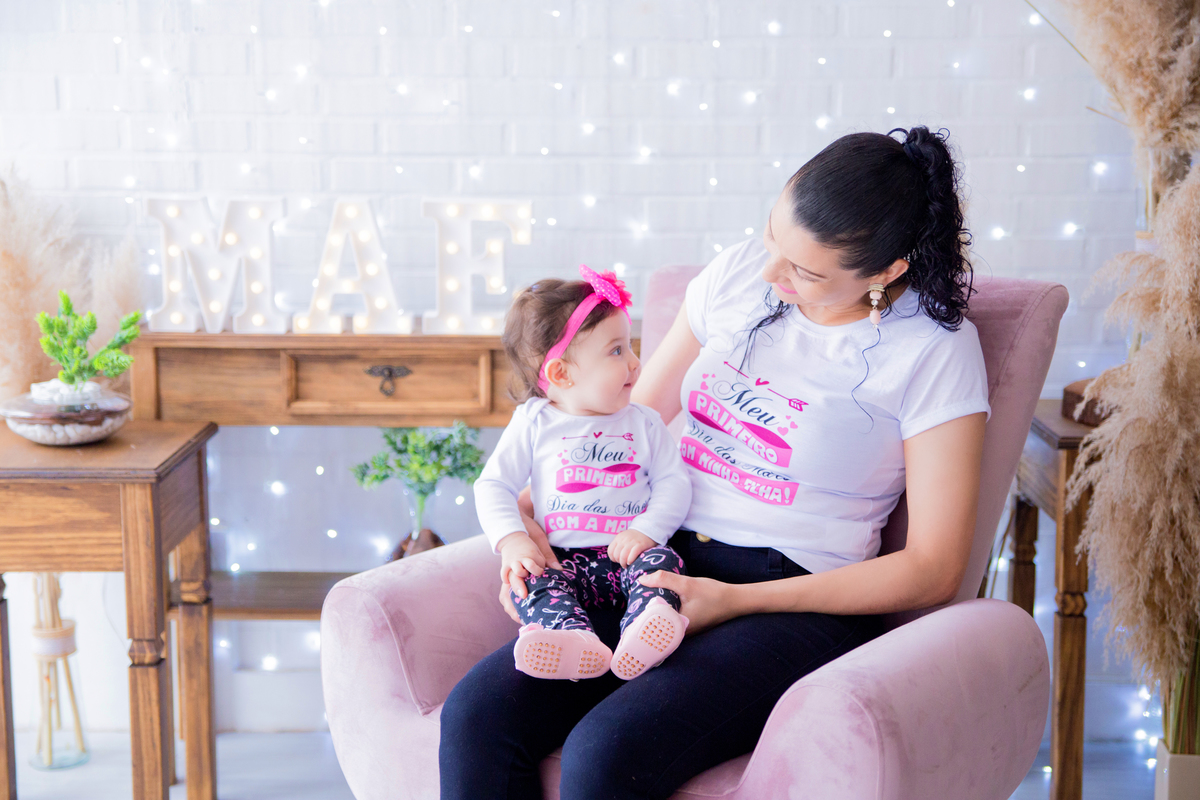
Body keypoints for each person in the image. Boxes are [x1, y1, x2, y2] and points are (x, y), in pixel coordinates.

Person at [440, 126, 991, 800]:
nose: (770, 276)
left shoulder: (934, 351)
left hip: (790, 598)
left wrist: (734, 602)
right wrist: (535, 531)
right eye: (771, 241)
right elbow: (626, 424)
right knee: (476, 717)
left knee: (606, 752)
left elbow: (935, 568)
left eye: (805, 272)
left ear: (885, 272)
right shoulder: (738, 278)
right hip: (658, 560)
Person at [474, 265, 694, 682]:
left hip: (627, 556)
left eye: (630, 347)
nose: (634, 362)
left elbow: (673, 483)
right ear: (562, 373)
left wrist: (646, 531)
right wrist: (513, 541)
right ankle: (571, 639)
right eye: (616, 351)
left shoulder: (643, 423)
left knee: (663, 563)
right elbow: (493, 485)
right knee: (529, 581)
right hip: (564, 563)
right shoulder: (534, 422)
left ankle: (644, 630)